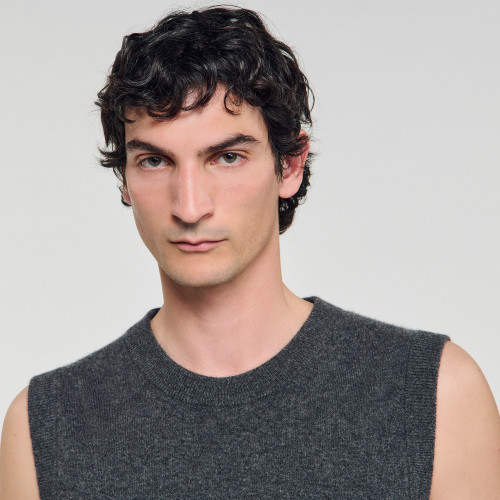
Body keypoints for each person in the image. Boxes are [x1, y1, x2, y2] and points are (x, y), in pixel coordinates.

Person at [0, 6, 498, 499]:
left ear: (290, 166)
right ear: (125, 179)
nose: (189, 206)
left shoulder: (434, 396)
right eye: (154, 161)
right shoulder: (45, 428)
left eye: (227, 157)